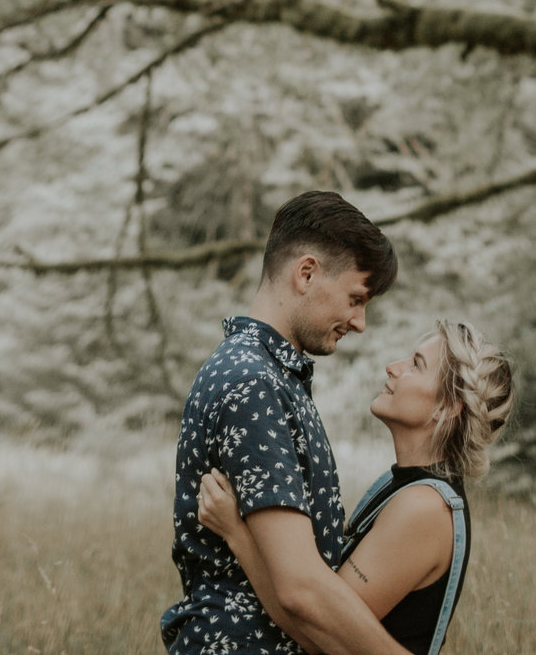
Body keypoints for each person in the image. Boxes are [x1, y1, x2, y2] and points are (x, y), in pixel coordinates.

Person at [160, 191, 407, 655]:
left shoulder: (263, 374)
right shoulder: (254, 383)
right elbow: (299, 589)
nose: (360, 323)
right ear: (307, 273)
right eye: (356, 299)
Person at [198, 322, 515, 655]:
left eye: (416, 365)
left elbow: (319, 630)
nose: (393, 368)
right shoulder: (403, 486)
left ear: (447, 407)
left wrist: (236, 533)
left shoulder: (425, 506)